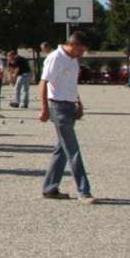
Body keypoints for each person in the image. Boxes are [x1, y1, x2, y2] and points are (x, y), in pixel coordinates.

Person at [40, 31, 95, 203]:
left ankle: (50, 188)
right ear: (73, 45)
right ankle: (84, 191)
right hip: (58, 107)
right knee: (73, 150)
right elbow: (43, 82)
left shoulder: (73, 59)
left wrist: (79, 103)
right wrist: (44, 109)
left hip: (69, 106)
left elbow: (71, 84)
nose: (82, 54)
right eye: (81, 50)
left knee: (62, 150)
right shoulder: (56, 57)